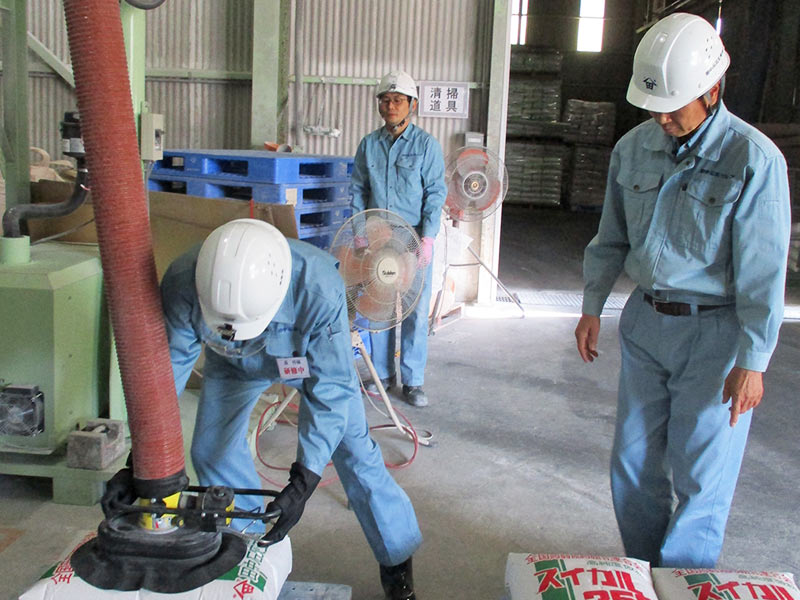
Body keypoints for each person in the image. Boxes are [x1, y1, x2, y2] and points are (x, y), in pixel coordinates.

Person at [574, 13, 790, 568]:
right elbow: (610, 238)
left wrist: (753, 360)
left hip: (715, 335)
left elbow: (764, 272)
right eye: (654, 107)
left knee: (701, 472)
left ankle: (686, 583)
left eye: (673, 106)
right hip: (646, 323)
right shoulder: (633, 149)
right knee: (633, 463)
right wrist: (592, 305)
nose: (662, 118)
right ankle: (648, 571)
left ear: (712, 91)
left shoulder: (753, 159)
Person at [160, 218, 422, 600]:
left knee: (355, 452)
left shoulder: (317, 286)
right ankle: (251, 541)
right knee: (211, 451)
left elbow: (331, 390)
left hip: (311, 363)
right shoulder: (185, 280)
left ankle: (396, 560)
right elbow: (165, 372)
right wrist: (145, 452)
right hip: (232, 363)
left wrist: (303, 480)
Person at [350, 69, 447, 408]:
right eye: (385, 100)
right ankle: (381, 374)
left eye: (398, 100)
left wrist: (428, 238)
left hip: (413, 240)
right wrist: (360, 235)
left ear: (412, 105)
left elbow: (435, 194)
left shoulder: (426, 146)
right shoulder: (368, 145)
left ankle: (413, 381)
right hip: (379, 239)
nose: (391, 106)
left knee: (415, 310)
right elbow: (358, 190)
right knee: (380, 308)